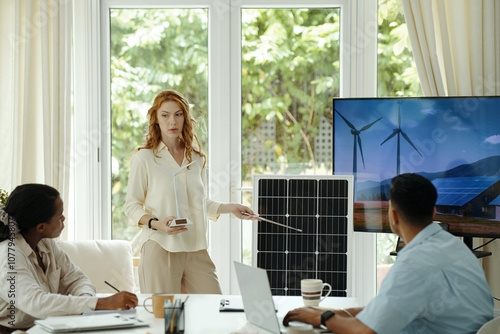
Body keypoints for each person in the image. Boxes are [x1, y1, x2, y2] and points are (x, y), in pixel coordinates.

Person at [284, 173, 494, 334]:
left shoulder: (413, 264)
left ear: (393, 215)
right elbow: (389, 308)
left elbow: (368, 332)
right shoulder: (455, 247)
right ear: (433, 212)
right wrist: (335, 313)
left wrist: (323, 318)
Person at [125, 89, 256, 294]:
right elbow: (131, 206)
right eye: (165, 115)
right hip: (160, 246)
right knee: (163, 320)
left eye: (178, 114)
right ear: (156, 120)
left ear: (185, 118)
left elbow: (197, 202)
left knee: (213, 309)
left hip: (195, 248)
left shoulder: (196, 159)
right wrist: (156, 224)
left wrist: (230, 208)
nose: (172, 122)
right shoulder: (145, 158)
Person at [0, 184, 138, 330]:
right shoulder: (8, 255)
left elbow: (77, 279)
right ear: (41, 227)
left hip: (48, 325)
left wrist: (85, 300)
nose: (64, 218)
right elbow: (37, 303)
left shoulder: (46, 243)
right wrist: (100, 303)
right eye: (60, 216)